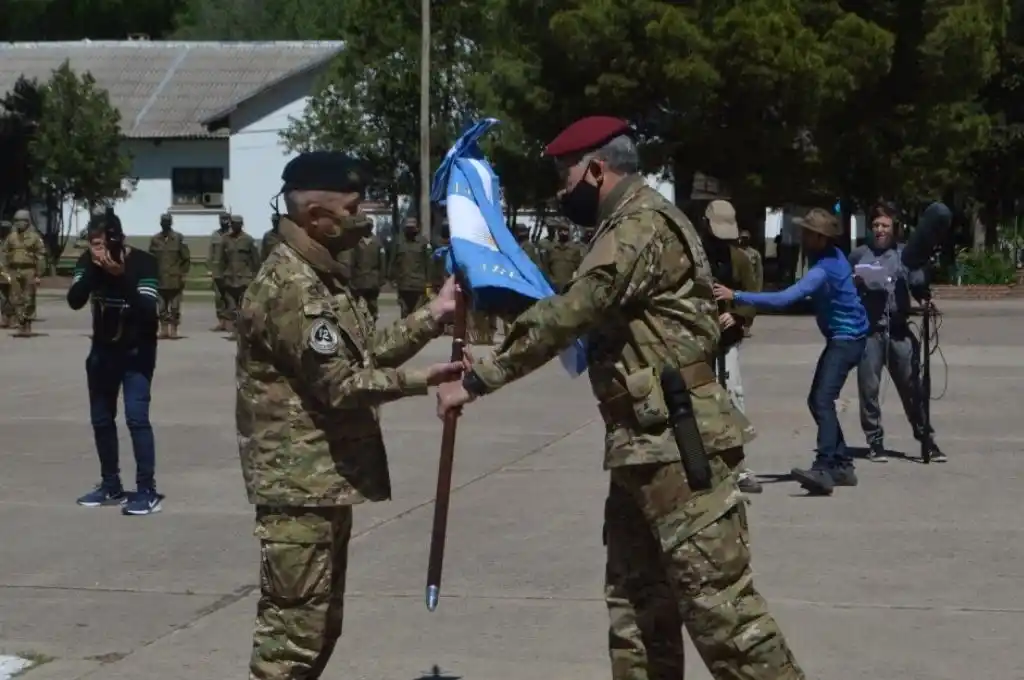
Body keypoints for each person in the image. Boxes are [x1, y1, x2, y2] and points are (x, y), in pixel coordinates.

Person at [437, 116, 804, 680]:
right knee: (637, 610)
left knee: (722, 615)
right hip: (642, 444)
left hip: (680, 445)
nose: (562, 192)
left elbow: (569, 312)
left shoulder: (637, 227)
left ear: (596, 169)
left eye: (565, 178)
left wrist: (479, 378)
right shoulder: (631, 225)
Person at [236, 151, 463, 680]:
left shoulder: (321, 277)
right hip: (297, 492)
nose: (364, 219)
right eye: (355, 208)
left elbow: (361, 352)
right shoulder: (290, 286)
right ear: (317, 216)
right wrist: (422, 380)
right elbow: (341, 385)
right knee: (289, 646)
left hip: (321, 487)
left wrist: (434, 315)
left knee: (318, 631)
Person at [714, 208, 869, 496]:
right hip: (848, 338)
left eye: (807, 232)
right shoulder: (831, 256)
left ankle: (824, 468)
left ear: (820, 238)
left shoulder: (824, 268)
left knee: (822, 400)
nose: (802, 235)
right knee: (818, 400)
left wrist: (735, 295)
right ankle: (843, 465)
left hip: (846, 340)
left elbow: (786, 298)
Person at [67, 211, 165, 516]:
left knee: (136, 418)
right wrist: (98, 271)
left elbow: (149, 311)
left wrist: (120, 277)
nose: (96, 250)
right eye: (92, 244)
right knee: (101, 419)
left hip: (137, 353)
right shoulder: (88, 262)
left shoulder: (145, 263)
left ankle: (146, 489)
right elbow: (74, 299)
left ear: (118, 240)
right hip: (103, 352)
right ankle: (111, 484)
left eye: (101, 244)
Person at [850, 202, 946, 463]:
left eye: (885, 226)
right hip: (869, 332)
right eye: (876, 225)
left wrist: (923, 296)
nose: (880, 230)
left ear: (895, 230)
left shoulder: (907, 255)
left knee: (913, 387)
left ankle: (927, 439)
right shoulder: (858, 255)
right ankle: (875, 442)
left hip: (900, 331)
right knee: (869, 389)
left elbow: (917, 283)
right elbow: (845, 289)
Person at [701, 200, 763, 494]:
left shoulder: (739, 258)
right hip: (694, 344)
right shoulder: (689, 257)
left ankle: (737, 467)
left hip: (727, 342)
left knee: (734, 397)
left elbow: (752, 295)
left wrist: (736, 314)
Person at [2, 209, 46, 337]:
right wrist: (5, 270)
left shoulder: (35, 237)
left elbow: (41, 254)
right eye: (16, 221)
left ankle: (27, 322)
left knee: (29, 297)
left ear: (27, 222)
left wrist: (39, 274)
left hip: (29, 270)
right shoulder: (11, 237)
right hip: (14, 270)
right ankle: (20, 322)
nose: (19, 223)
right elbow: (5, 253)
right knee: (15, 298)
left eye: (22, 221)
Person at [149, 213, 191, 340]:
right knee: (161, 307)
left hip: (175, 279)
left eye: (167, 221)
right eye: (163, 221)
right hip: (160, 279)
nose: (165, 224)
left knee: (174, 307)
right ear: (160, 223)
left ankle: (173, 329)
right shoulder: (155, 239)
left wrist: (183, 274)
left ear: (171, 223)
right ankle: (163, 329)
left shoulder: (178, 238)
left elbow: (186, 259)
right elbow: (150, 258)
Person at [336, 223, 386, 324]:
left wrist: (381, 279)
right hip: (358, 280)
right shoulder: (357, 242)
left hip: (372, 281)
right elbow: (352, 261)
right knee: (357, 306)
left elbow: (382, 262)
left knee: (372, 305)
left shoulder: (378, 242)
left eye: (368, 227)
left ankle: (372, 323)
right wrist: (350, 278)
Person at [221, 214, 260, 340]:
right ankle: (234, 330)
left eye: (237, 224)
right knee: (232, 307)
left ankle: (242, 331)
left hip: (245, 279)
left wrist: (256, 276)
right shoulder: (225, 239)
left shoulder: (248, 240)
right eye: (233, 224)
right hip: (230, 278)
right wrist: (220, 274)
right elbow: (221, 259)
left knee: (244, 307)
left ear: (241, 225)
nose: (235, 226)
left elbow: (255, 260)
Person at [388, 216, 432, 316]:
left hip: (419, 285)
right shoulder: (399, 242)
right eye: (408, 228)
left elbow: (429, 263)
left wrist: (429, 283)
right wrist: (392, 278)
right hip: (404, 284)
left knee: (418, 315)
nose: (410, 230)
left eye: (412, 227)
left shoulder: (423, 242)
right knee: (404, 314)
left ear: (417, 228)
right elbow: (393, 261)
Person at [543, 217, 585, 291]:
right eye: (561, 230)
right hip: (553, 287)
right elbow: (545, 268)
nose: (563, 233)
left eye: (566, 231)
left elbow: (580, 268)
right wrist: (551, 281)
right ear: (558, 232)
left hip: (569, 287)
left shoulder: (575, 249)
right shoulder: (551, 249)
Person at [208, 212, 232, 332]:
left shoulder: (234, 235)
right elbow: (211, 254)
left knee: (229, 297)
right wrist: (210, 269)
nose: (224, 221)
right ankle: (221, 321)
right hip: (217, 271)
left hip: (230, 271)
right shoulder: (215, 235)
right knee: (219, 298)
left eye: (226, 219)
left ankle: (229, 322)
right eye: (222, 219)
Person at [0, 219, 13, 328]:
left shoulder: (14, 241)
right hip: (1, 274)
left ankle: (13, 319)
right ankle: (5, 318)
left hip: (12, 272)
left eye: (6, 229)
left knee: (14, 296)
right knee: (3, 297)